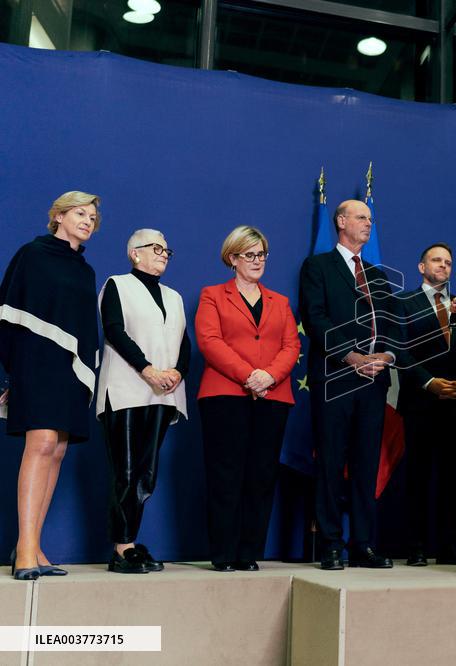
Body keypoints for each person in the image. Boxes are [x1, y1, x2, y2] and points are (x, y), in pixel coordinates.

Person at [0, 191, 101, 580]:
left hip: (70, 370)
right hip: (36, 363)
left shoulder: (84, 270)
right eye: (80, 213)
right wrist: (8, 374)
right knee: (40, 442)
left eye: (92, 217)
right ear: (58, 216)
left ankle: (34, 544)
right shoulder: (33, 254)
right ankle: (24, 547)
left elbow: (84, 331)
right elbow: (7, 311)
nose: (88, 221)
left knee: (57, 450)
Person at [299, 199, 400, 570]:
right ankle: (329, 543)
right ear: (341, 222)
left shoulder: (378, 274)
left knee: (365, 464)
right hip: (336, 378)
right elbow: (316, 319)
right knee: (330, 462)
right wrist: (352, 357)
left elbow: (392, 324)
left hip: (374, 382)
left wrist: (385, 357)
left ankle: (363, 543)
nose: (368, 224)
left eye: (371, 218)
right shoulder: (318, 266)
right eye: (361, 217)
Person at [195, 225, 300, 572]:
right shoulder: (212, 295)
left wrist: (268, 376)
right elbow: (210, 341)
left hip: (273, 395)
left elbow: (291, 346)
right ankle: (224, 553)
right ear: (232, 258)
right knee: (226, 474)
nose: (257, 261)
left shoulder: (280, 302)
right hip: (225, 395)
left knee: (261, 475)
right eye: (250, 255)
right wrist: (248, 376)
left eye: (262, 255)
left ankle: (248, 552)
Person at [97, 229, 191, 574]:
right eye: (156, 248)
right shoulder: (116, 285)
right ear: (135, 253)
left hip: (163, 393)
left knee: (145, 473)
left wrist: (178, 372)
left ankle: (130, 542)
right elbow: (114, 330)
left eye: (167, 249)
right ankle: (122, 547)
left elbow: (185, 343)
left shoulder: (174, 296)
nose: (164, 254)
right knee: (125, 468)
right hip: (125, 390)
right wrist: (148, 369)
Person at [394, 243, 456, 566]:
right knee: (418, 476)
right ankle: (415, 546)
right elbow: (400, 351)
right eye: (436, 260)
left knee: (453, 478)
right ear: (421, 267)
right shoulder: (403, 303)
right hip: (420, 402)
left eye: (448, 263)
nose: (443, 266)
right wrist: (429, 382)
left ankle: (448, 546)